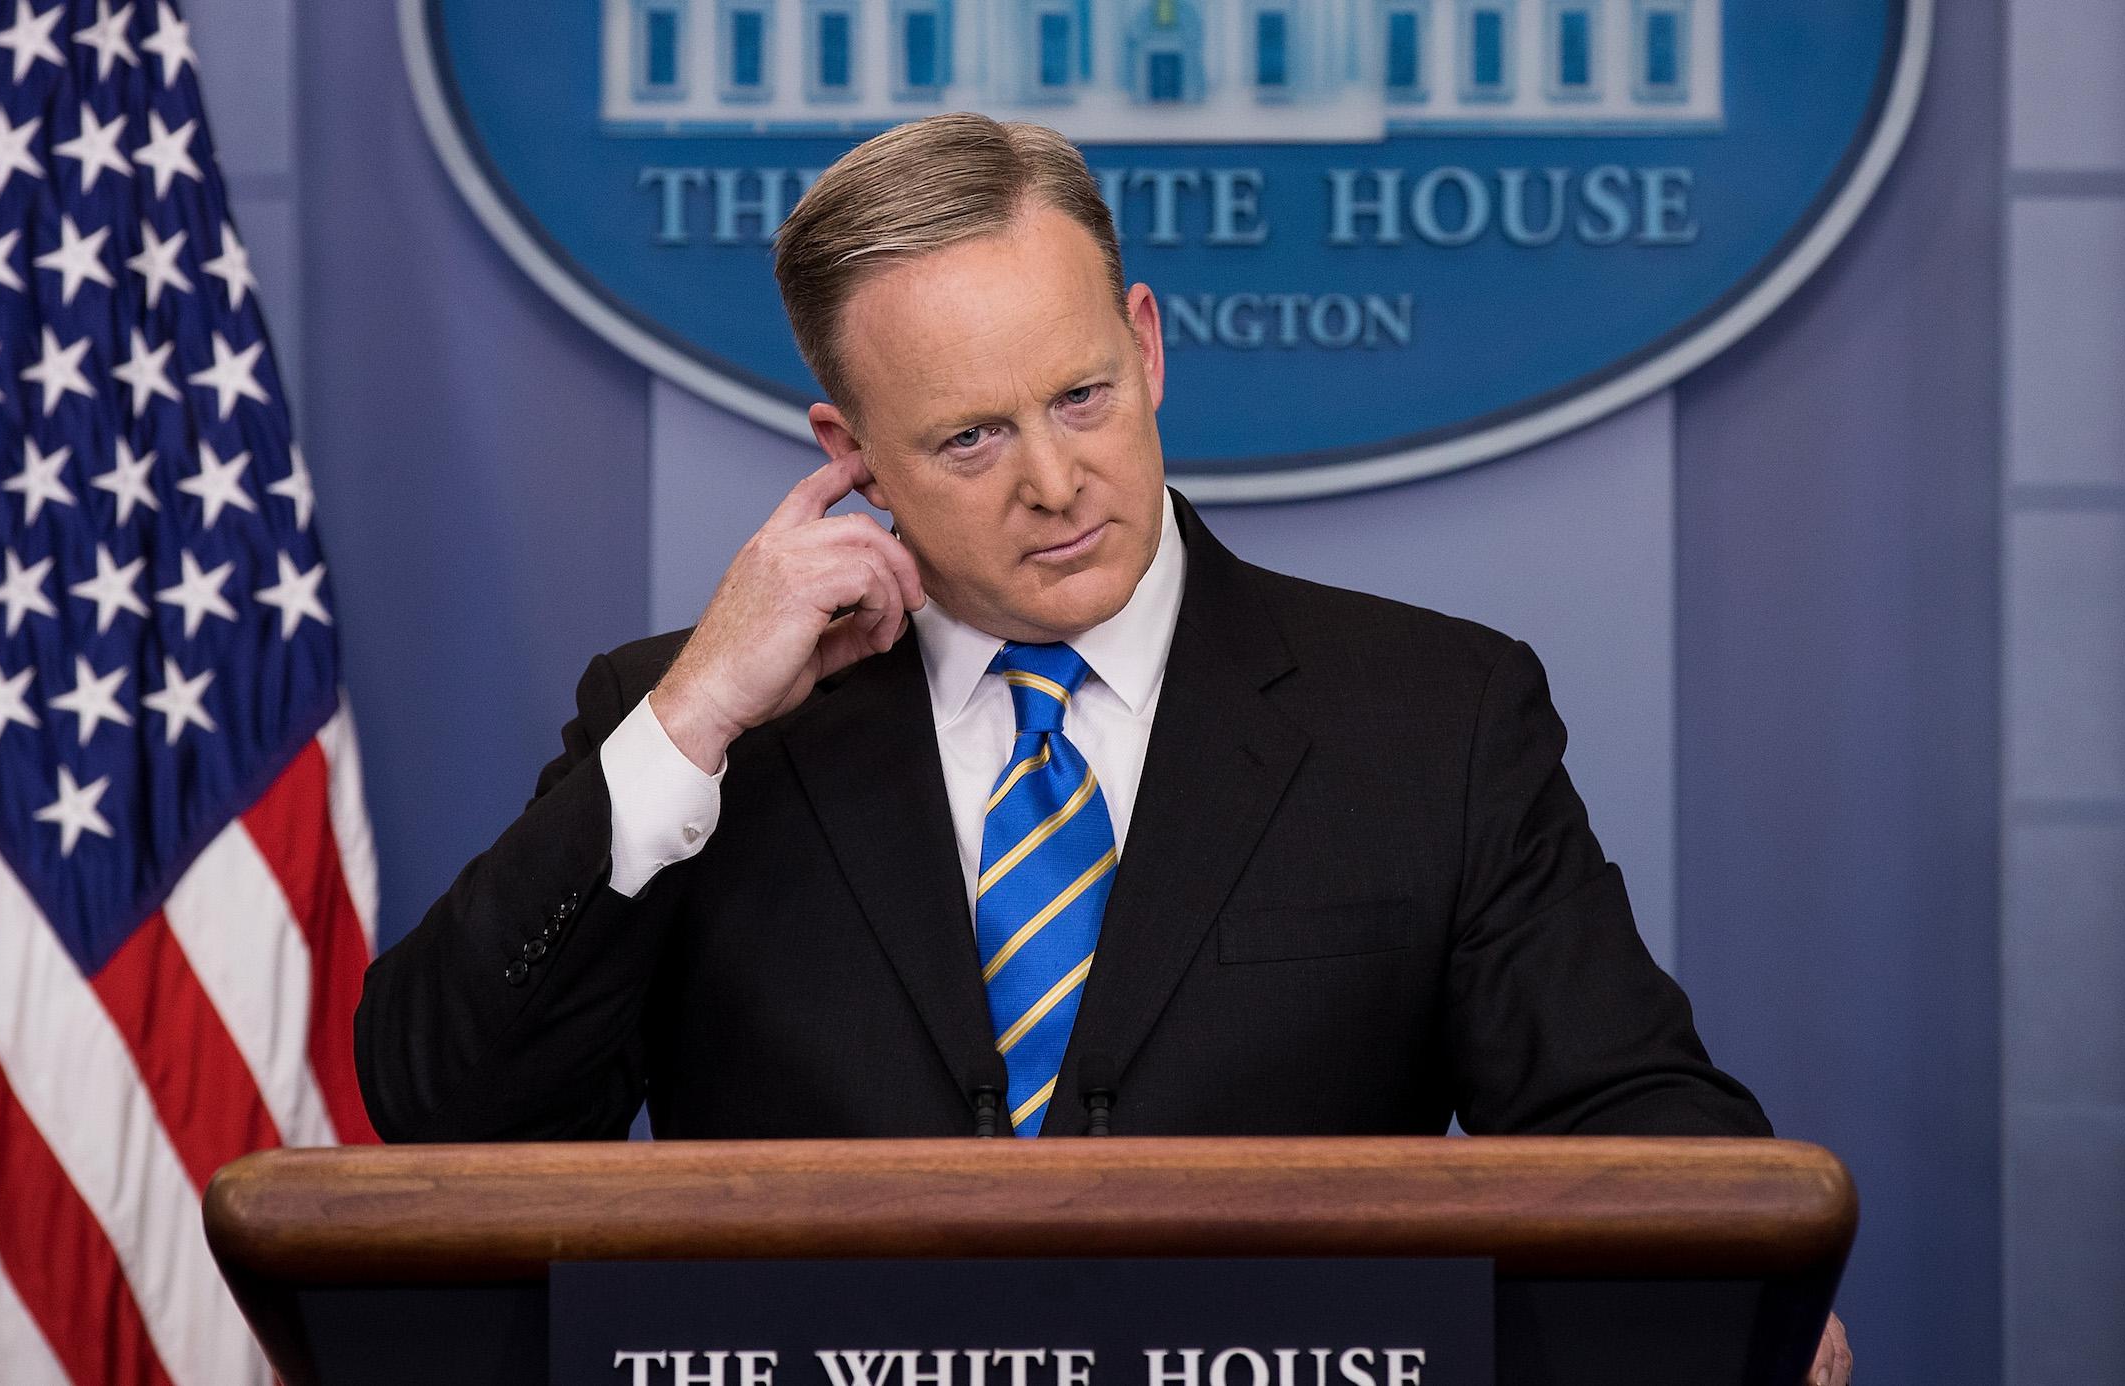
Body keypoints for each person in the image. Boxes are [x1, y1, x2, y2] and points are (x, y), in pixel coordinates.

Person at [354, 113, 1848, 1385]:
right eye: (970, 440)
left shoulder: (1435, 715)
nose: (1058, 482)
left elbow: (1627, 1118)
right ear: (848, 454)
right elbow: (444, 1109)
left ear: (1144, 344)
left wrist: (1737, 1287)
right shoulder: (694, 731)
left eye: (1081, 396)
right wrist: (692, 719)